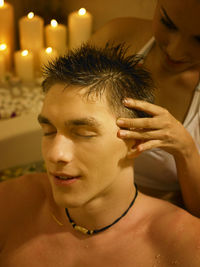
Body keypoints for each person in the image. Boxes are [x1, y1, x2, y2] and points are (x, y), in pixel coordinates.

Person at [0, 43, 200, 267]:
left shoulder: (183, 245)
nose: (56, 154)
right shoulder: (13, 203)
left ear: (136, 141)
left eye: (83, 134)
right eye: (49, 132)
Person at [90, 0, 200, 217]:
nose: (176, 51)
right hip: (88, 201)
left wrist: (185, 150)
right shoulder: (115, 37)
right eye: (168, 24)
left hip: (159, 222)